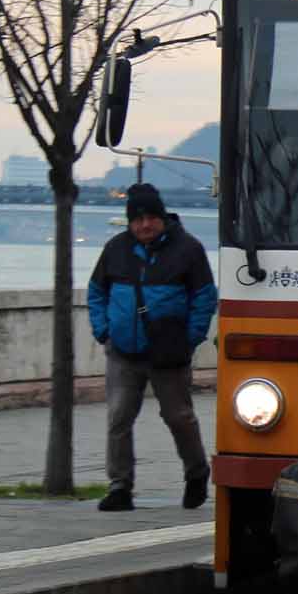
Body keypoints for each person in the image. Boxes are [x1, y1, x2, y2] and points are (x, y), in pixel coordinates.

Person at [87, 182, 218, 512]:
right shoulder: (116, 249)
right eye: (137, 219)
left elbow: (204, 297)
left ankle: (196, 474)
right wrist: (104, 331)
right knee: (118, 418)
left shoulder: (188, 249)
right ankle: (120, 486)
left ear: (162, 217)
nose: (144, 225)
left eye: (150, 218)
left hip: (168, 352)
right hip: (123, 351)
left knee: (178, 417)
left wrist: (190, 338)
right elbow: (96, 291)